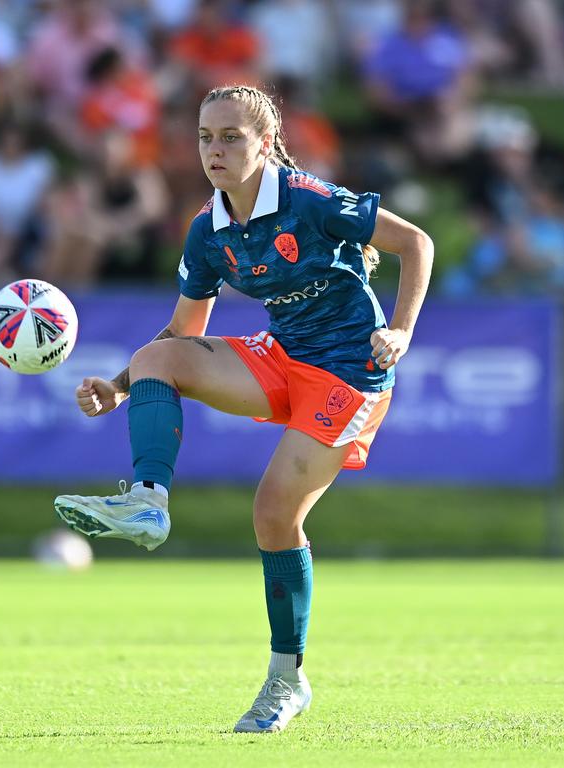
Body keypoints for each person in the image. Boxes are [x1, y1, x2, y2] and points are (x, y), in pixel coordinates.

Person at [53, 85, 433, 733]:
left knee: (272, 514)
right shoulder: (207, 231)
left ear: (265, 142)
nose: (216, 150)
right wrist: (120, 386)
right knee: (155, 359)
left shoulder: (310, 200)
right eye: (205, 137)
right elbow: (181, 330)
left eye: (231, 136)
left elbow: (416, 243)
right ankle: (148, 500)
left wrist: (400, 331)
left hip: (351, 371)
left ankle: (287, 680)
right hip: (285, 356)